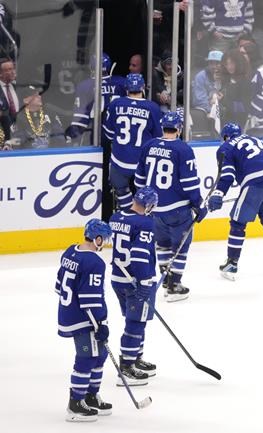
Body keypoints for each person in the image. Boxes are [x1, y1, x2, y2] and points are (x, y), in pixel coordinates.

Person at [207, 122, 263, 280]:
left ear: (225, 137)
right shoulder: (257, 140)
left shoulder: (225, 147)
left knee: (238, 223)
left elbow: (227, 175)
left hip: (254, 182)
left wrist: (218, 193)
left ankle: (232, 263)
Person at [134, 111, 209, 301]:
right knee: (180, 247)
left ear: (162, 127)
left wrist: (145, 203)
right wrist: (198, 204)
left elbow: (139, 179)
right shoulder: (183, 149)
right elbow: (189, 183)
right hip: (178, 209)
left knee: (162, 245)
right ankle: (174, 284)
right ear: (179, 128)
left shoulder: (149, 145)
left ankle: (166, 280)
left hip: (154, 210)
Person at [55, 218, 113, 422]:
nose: (105, 243)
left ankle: (90, 395)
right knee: (87, 357)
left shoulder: (70, 251)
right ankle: (76, 403)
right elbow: (91, 298)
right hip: (84, 318)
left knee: (100, 354)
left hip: (69, 312)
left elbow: (58, 286)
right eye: (104, 239)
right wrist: (100, 322)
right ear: (97, 239)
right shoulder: (95, 262)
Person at [108, 187, 159, 386]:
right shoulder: (145, 223)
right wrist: (145, 281)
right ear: (149, 205)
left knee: (137, 319)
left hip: (118, 278)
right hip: (135, 281)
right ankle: (127, 367)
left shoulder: (115, 217)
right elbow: (139, 255)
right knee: (135, 323)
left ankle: (136, 358)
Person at [103, 73, 163, 210]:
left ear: (126, 88)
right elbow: (158, 137)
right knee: (144, 197)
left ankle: (127, 216)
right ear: (143, 87)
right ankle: (141, 218)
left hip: (119, 161)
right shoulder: (152, 107)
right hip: (142, 164)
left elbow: (108, 134)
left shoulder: (115, 104)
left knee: (121, 192)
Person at [65, 52, 127, 145]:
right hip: (119, 133)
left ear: (92, 67)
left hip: (95, 133)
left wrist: (71, 134)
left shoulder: (84, 86)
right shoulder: (122, 83)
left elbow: (81, 120)